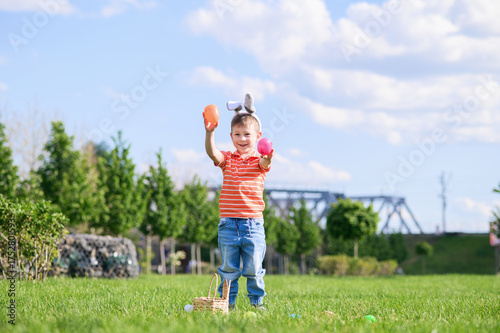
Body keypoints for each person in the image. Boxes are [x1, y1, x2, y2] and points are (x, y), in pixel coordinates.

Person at [204, 92, 274, 310]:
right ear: (231, 136)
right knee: (228, 269)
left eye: (247, 134)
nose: (242, 139)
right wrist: (210, 134)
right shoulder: (229, 158)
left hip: (253, 224)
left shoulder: (258, 161)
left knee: (253, 268)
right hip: (228, 224)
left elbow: (266, 160)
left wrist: (268, 154)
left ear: (257, 136)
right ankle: (227, 304)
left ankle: (257, 303)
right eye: (237, 134)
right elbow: (212, 153)